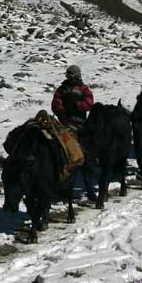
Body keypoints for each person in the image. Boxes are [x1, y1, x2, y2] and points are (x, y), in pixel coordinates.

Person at [51, 65, 97, 200]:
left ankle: (89, 184)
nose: (68, 77)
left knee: (86, 151)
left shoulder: (84, 89)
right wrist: (60, 109)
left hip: (80, 123)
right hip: (63, 122)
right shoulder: (61, 89)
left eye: (70, 74)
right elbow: (55, 102)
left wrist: (76, 105)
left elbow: (89, 103)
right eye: (67, 74)